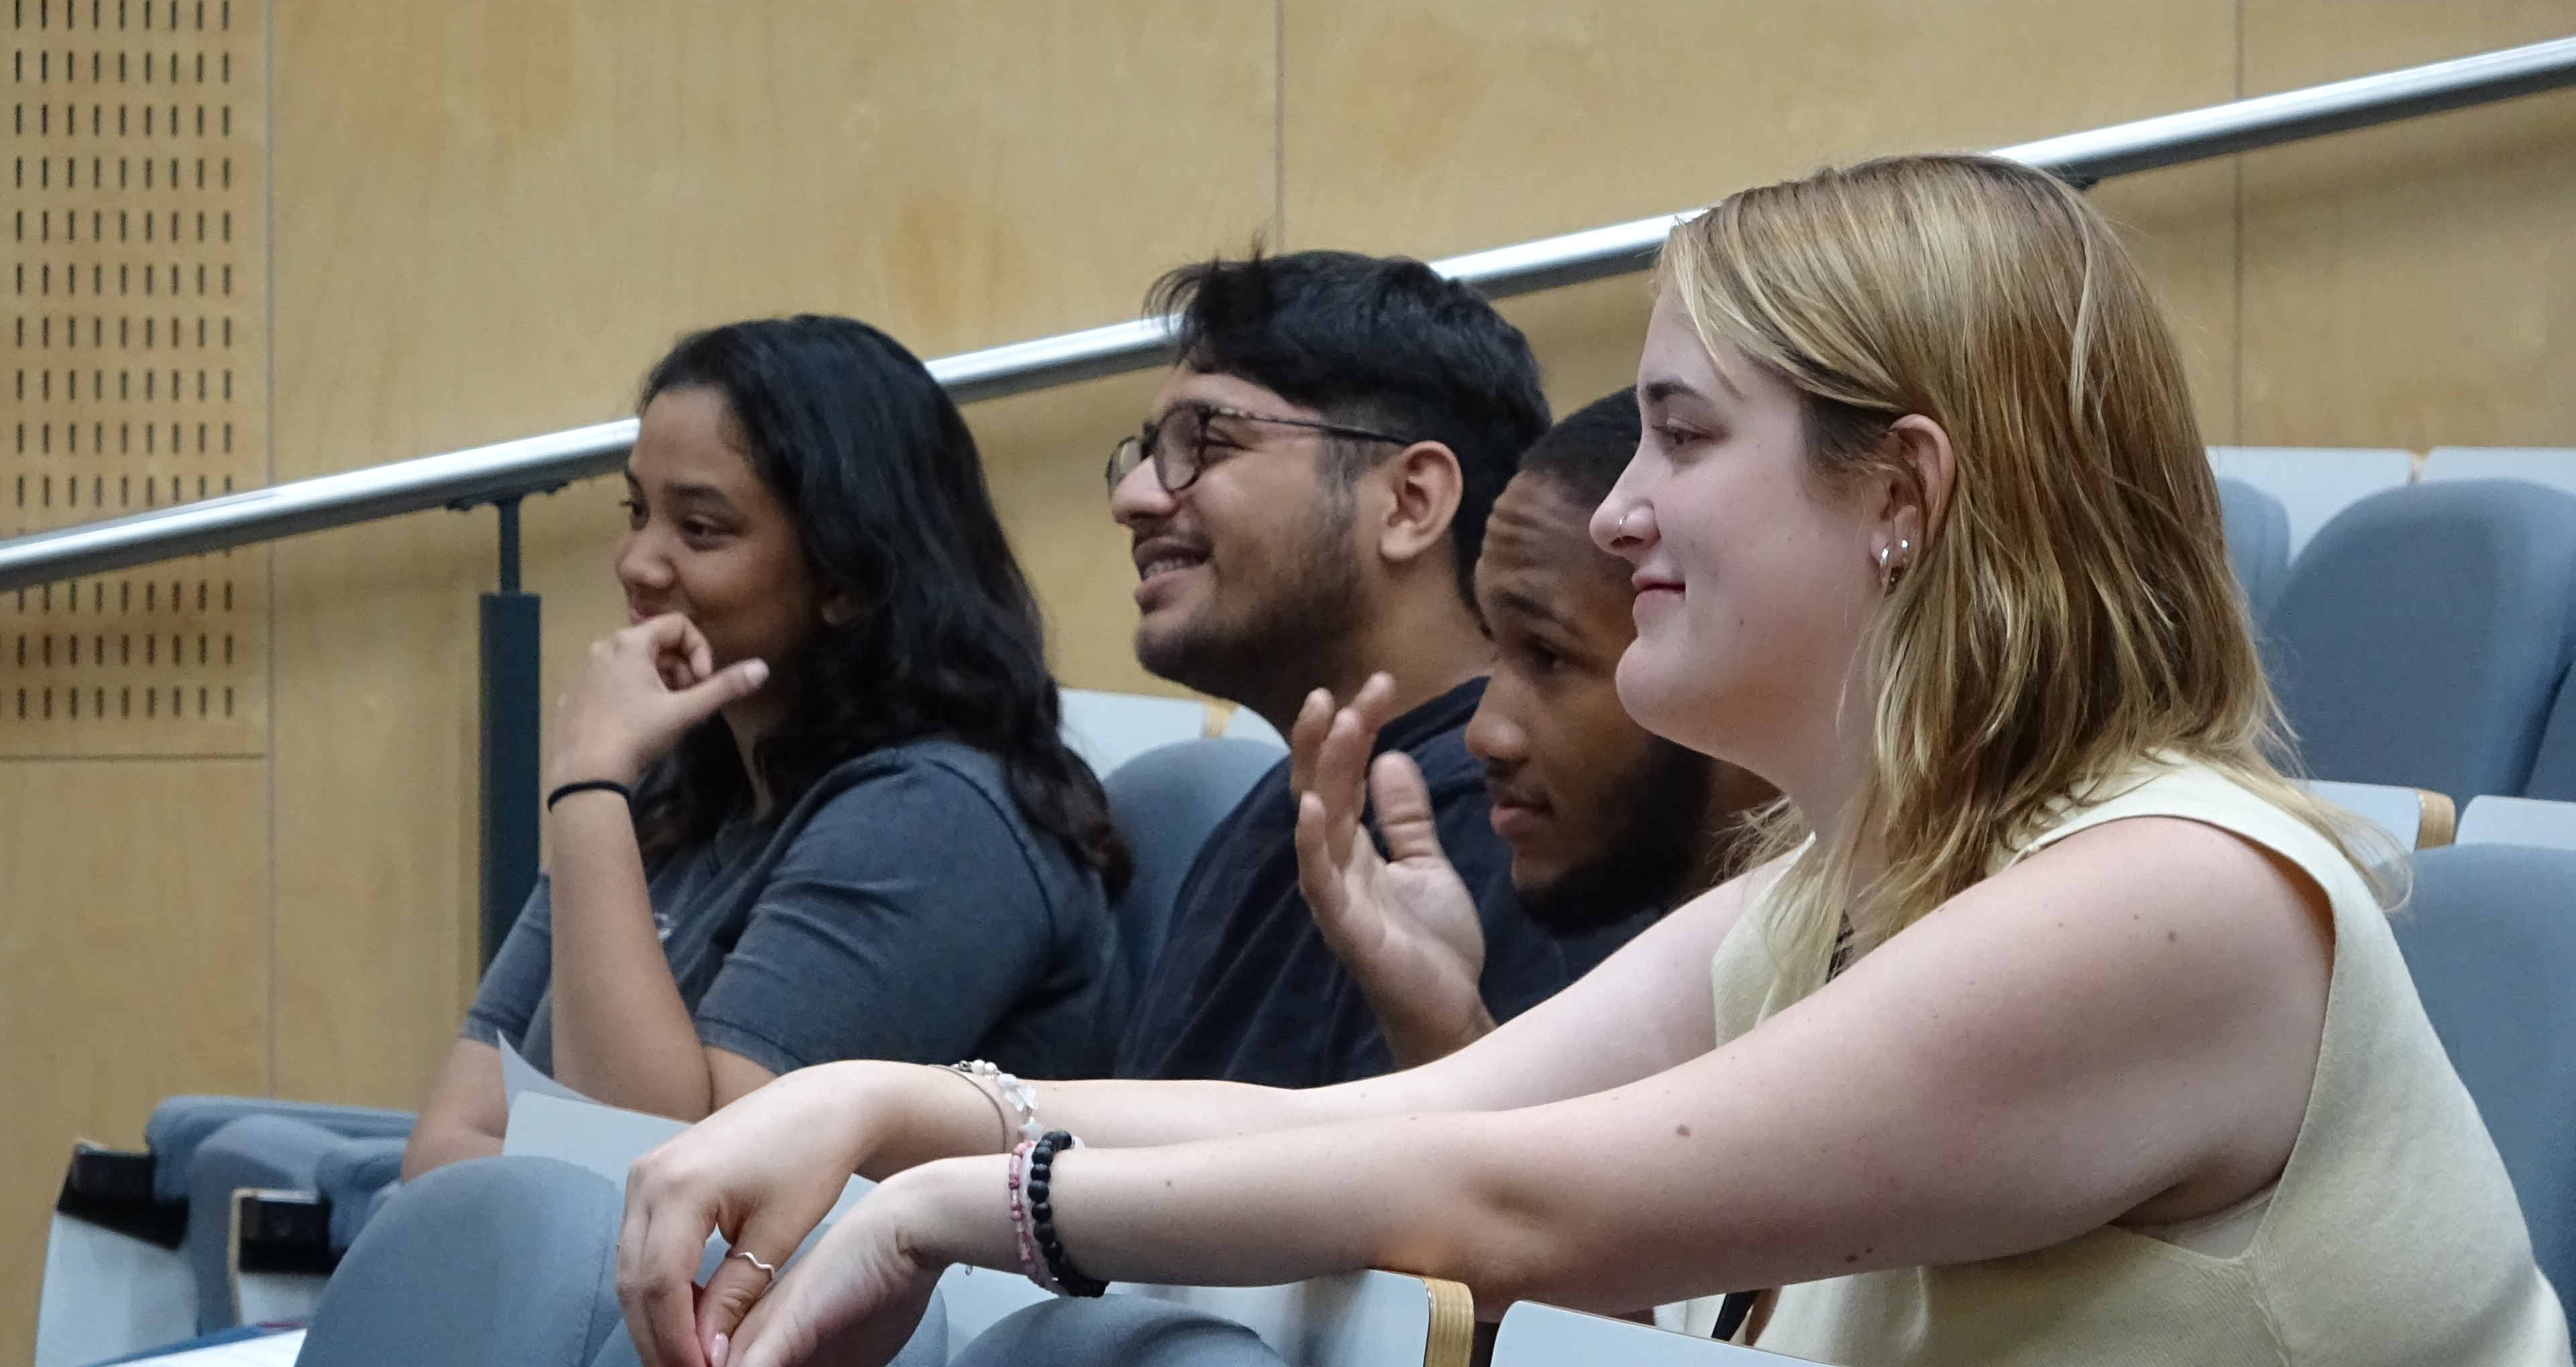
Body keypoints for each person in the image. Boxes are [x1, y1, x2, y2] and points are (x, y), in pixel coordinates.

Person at [616, 158, 2571, 1367]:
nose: (1615, 511)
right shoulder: (1833, 889)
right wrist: (896, 1106)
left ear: (1898, 493)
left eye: (1677, 436)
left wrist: (957, 1198)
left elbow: (1517, 1204)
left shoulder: (2172, 898)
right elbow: (1379, 1130)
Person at [401, 316, 1128, 1178]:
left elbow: (672, 1179)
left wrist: (588, 784)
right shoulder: (676, 784)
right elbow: (443, 1144)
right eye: (638, 512)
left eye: (701, 529)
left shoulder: (939, 820)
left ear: (847, 578)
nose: (637, 561)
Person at [1107, 251, 1651, 1087]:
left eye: (1203, 442)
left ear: (1410, 502)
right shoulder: (1276, 812)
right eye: (1146, 452)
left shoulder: (1508, 815)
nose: (1138, 496)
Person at [1292, 392, 1776, 1067]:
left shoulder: (1892, 974)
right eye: (1495, 651)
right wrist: (1442, 1023)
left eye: (1547, 657)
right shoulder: (1707, 978)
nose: (1485, 735)